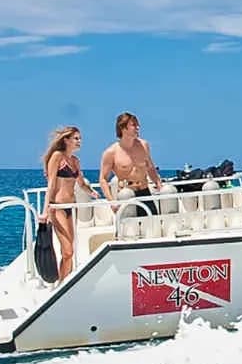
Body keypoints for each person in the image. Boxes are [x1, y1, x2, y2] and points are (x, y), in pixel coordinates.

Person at [43, 126, 97, 282]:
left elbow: (81, 183)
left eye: (80, 139)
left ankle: (66, 282)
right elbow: (51, 184)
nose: (79, 141)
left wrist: (92, 192)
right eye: (76, 138)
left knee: (69, 251)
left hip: (71, 208)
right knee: (68, 251)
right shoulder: (57, 156)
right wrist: (45, 210)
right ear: (66, 140)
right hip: (58, 207)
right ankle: (62, 284)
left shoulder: (75, 161)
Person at [100, 112, 163, 218]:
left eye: (137, 125)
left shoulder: (144, 145)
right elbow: (103, 179)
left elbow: (150, 168)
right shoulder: (111, 152)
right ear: (123, 128)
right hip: (126, 195)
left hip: (145, 192)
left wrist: (159, 184)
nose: (138, 127)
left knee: (153, 224)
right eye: (134, 125)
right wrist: (111, 202)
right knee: (130, 227)